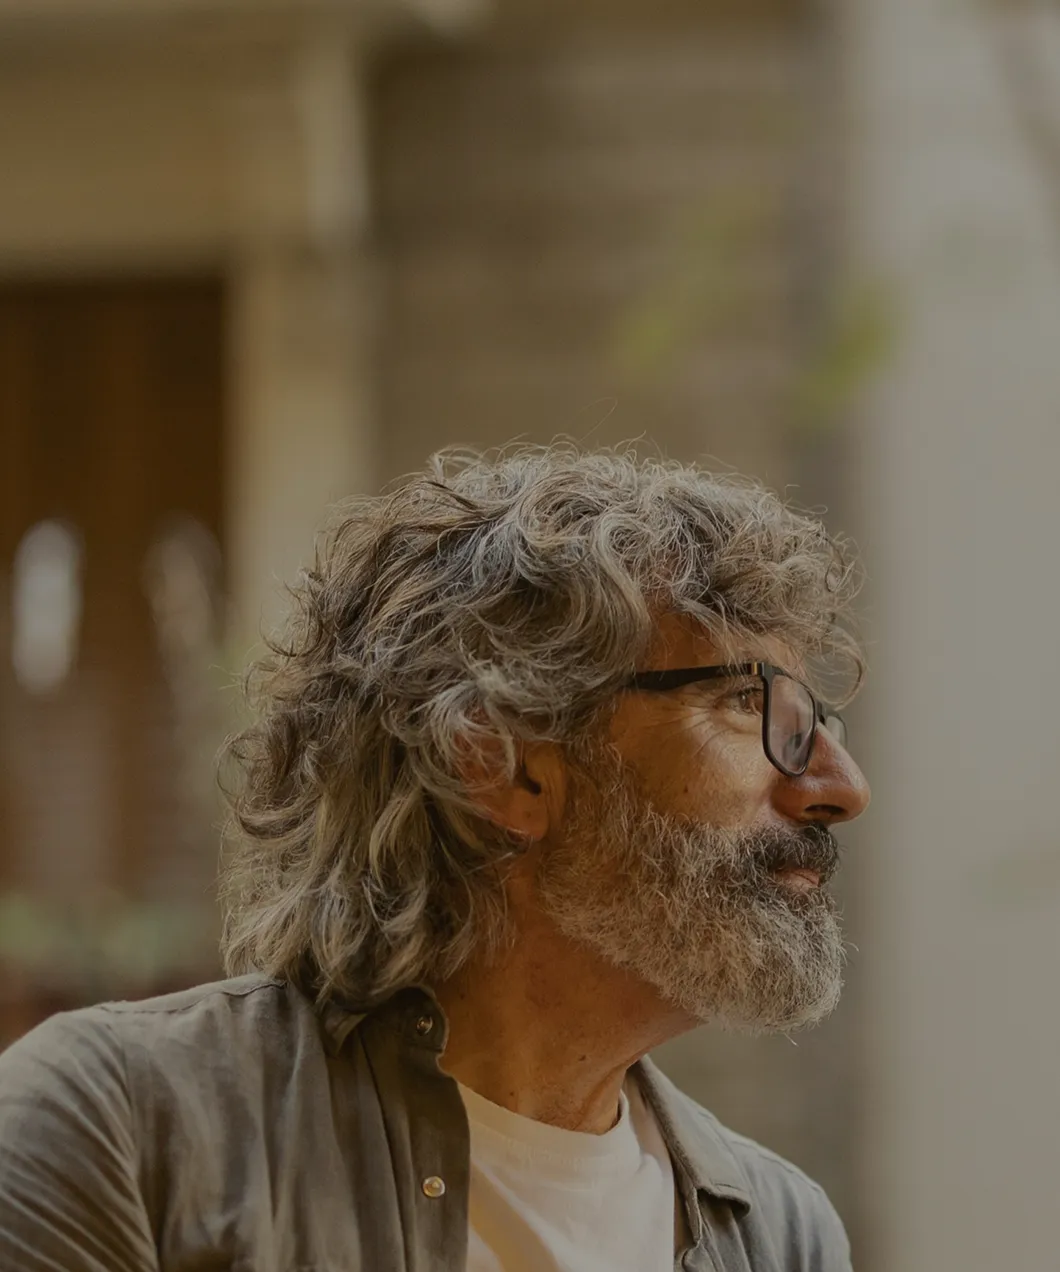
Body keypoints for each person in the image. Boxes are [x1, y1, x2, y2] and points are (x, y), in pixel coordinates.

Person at [0, 446, 870, 1271]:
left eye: (816, 725)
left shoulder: (782, 1234)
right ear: (504, 763)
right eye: (745, 702)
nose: (842, 785)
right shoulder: (116, 1127)